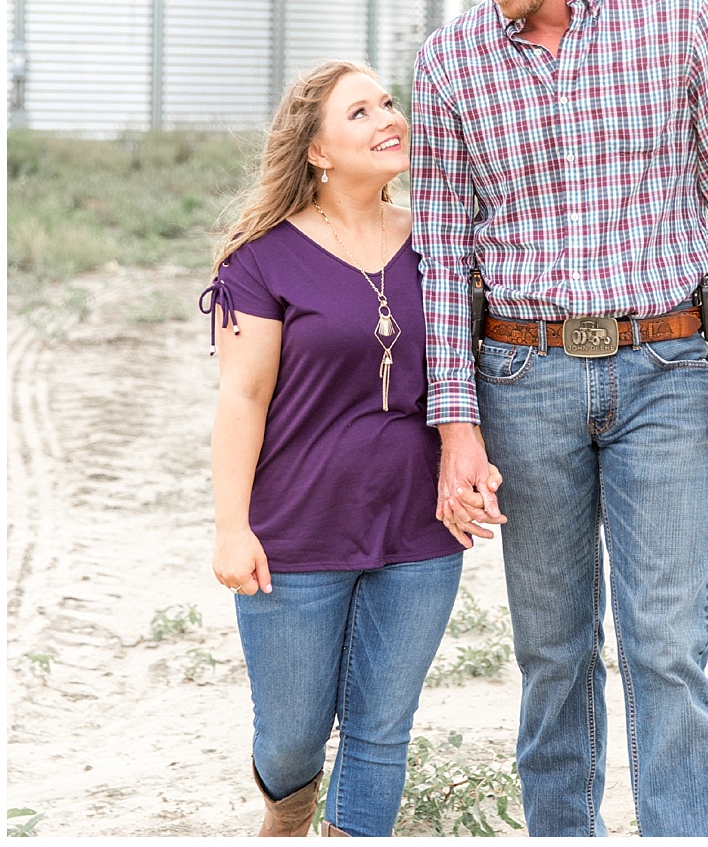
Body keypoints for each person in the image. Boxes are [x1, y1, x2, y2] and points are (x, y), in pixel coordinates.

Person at [412, 0, 708, 837]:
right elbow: (444, 256)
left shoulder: (675, 15)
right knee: (552, 656)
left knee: (667, 649)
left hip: (664, 372)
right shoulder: (449, 63)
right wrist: (456, 426)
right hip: (519, 379)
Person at [203, 60, 501, 838]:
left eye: (388, 104)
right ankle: (287, 812)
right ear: (318, 151)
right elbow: (242, 399)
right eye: (360, 113)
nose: (388, 120)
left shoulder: (441, 244)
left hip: (420, 525)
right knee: (294, 732)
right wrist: (231, 527)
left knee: (380, 728)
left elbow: (473, 373)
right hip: (297, 529)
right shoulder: (261, 260)